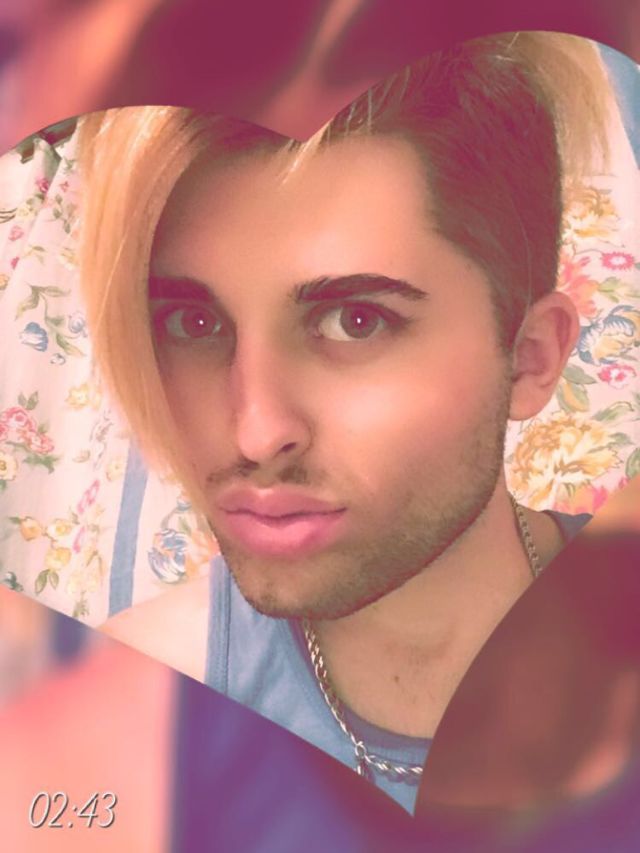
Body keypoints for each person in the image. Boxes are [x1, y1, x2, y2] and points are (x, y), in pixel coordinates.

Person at [74, 32, 612, 813]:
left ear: (530, 357)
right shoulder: (134, 715)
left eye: (356, 321)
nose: (255, 432)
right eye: (193, 324)